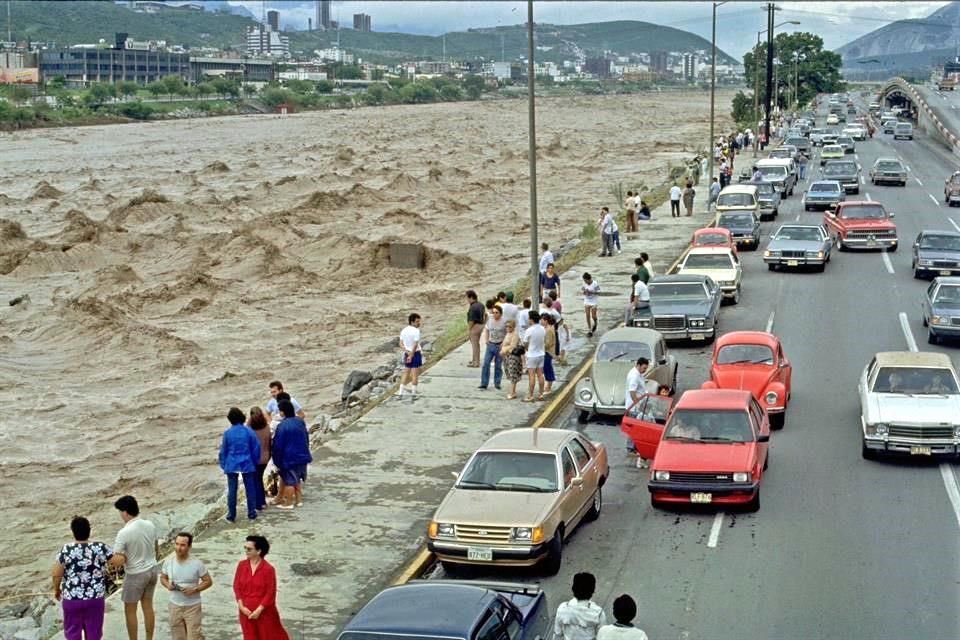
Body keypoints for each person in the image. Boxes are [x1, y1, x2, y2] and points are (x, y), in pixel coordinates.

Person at [53, 516, 112, 640]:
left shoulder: (66, 549)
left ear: (73, 532)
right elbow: (117, 561)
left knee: (73, 633)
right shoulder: (100, 547)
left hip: (72, 599)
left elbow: (56, 574)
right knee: (94, 633)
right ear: (89, 530)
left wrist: (56, 590)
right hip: (95, 599)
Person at [109, 495, 158, 640]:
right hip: (152, 569)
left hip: (135, 574)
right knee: (148, 606)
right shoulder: (150, 525)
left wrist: (111, 560)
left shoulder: (124, 532)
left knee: (130, 610)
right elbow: (156, 547)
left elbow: (117, 558)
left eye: (120, 512)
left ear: (125, 512)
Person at [233, 536, 289, 640]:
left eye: (249, 549)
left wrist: (259, 610)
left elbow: (270, 592)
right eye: (245, 548)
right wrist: (241, 607)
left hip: (264, 613)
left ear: (258, 551)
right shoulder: (241, 565)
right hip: (246, 612)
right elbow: (236, 586)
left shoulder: (268, 569)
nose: (246, 551)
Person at [160, 532, 212, 640]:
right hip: (174, 606)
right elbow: (163, 578)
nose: (179, 548)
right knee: (178, 637)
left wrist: (195, 589)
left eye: (183, 545)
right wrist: (167, 585)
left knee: (194, 636)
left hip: (192, 607)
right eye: (177, 544)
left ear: (189, 546)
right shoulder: (168, 562)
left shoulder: (197, 564)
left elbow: (208, 581)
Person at [219, 407, 261, 523]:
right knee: (250, 489)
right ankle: (251, 513)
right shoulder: (249, 431)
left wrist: (223, 464)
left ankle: (231, 515)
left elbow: (224, 450)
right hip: (247, 463)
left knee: (232, 490)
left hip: (232, 464)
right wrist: (255, 461)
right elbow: (256, 448)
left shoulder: (227, 433)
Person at [271, 399, 312, 510]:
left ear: (283, 412)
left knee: (289, 481)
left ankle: (288, 503)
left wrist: (276, 460)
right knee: (297, 479)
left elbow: (278, 446)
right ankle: (298, 500)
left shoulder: (282, 426)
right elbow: (306, 437)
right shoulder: (300, 421)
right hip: (302, 455)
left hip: (289, 458)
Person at [553, 572, 606, 640]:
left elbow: (558, 633)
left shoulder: (562, 608)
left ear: (573, 589)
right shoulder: (599, 613)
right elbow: (601, 637)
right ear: (592, 591)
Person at [625, 358, 650, 463]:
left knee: (636, 428)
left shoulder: (638, 374)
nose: (645, 370)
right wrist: (638, 405)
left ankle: (634, 447)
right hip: (634, 407)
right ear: (639, 365)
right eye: (644, 368)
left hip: (637, 405)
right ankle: (631, 448)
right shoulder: (634, 376)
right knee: (633, 429)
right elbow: (632, 392)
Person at [247, 407, 271, 512]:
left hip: (254, 458)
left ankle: (259, 503)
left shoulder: (249, 429)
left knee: (256, 480)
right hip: (265, 458)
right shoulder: (266, 427)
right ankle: (262, 502)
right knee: (259, 478)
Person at [479, 304, 506, 390]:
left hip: (500, 345)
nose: (494, 314)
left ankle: (497, 383)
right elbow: (486, 329)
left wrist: (504, 343)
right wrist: (486, 339)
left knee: (498, 365)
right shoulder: (490, 320)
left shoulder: (504, 322)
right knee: (486, 363)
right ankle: (484, 383)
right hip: (491, 344)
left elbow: (508, 333)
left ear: (500, 314)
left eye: (496, 312)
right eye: (493, 312)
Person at [522, 310, 546, 402]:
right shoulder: (542, 328)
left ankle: (530, 395)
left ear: (531, 319)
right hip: (541, 354)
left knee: (531, 376)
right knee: (540, 375)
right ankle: (541, 394)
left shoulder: (529, 330)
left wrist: (527, 349)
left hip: (532, 355)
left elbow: (525, 343)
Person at [398, 313, 423, 399]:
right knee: (415, 374)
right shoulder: (416, 331)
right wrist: (412, 354)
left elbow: (400, 344)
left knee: (406, 373)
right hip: (415, 354)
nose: (419, 323)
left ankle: (400, 393)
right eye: (417, 321)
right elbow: (415, 344)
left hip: (407, 353)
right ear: (412, 322)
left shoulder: (403, 330)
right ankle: (413, 394)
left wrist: (407, 352)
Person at [500, 320, 524, 400]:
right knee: (510, 374)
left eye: (510, 326)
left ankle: (512, 392)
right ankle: (513, 391)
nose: (508, 328)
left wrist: (503, 350)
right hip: (507, 357)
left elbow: (512, 346)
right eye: (506, 326)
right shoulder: (508, 334)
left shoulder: (515, 334)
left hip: (513, 357)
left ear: (513, 327)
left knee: (513, 374)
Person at [465, 290, 485, 368]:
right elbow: (485, 315)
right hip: (481, 325)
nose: (466, 300)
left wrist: (469, 329)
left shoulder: (473, 307)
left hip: (475, 326)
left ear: (471, 297)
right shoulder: (481, 305)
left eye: (467, 298)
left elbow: (471, 320)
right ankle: (475, 360)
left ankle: (476, 362)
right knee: (477, 345)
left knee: (474, 345)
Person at [581, 272, 599, 337]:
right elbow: (582, 289)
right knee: (587, 315)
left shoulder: (595, 283)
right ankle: (589, 330)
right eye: (584, 281)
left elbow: (598, 292)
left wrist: (591, 292)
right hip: (587, 300)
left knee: (593, 316)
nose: (585, 282)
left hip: (594, 301)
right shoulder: (584, 283)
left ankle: (595, 322)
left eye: (586, 280)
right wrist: (585, 292)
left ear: (589, 279)